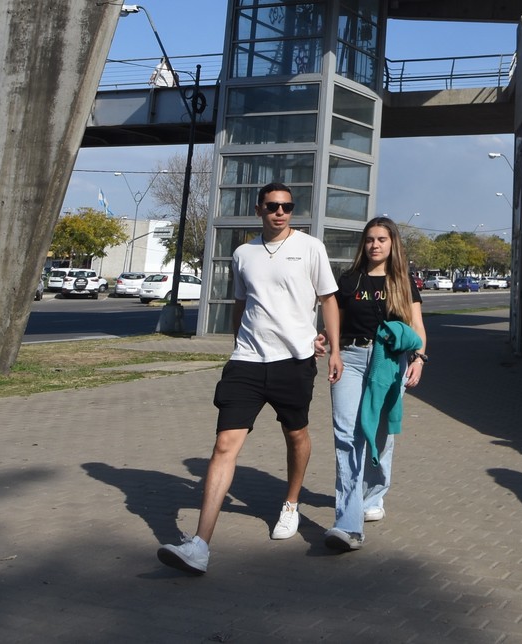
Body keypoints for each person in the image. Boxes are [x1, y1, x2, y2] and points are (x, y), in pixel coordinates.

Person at [158, 184, 340, 575]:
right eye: (273, 206)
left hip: (295, 360)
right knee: (225, 444)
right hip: (247, 361)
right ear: (259, 208)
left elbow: (328, 299)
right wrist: (240, 341)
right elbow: (242, 302)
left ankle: (291, 503)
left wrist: (334, 348)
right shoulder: (244, 253)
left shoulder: (310, 248)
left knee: (296, 435)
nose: (280, 212)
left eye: (287, 207)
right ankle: (200, 545)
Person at [325, 216, 428, 552]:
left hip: (388, 363)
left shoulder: (402, 281)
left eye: (381, 239)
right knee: (347, 435)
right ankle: (347, 524)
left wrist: (418, 359)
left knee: (380, 434)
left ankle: (375, 493)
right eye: (370, 239)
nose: (374, 245)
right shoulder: (350, 279)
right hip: (351, 359)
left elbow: (417, 326)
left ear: (392, 243)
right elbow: (335, 321)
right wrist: (329, 346)